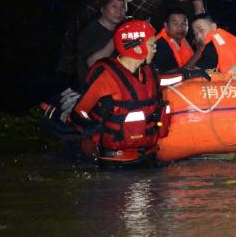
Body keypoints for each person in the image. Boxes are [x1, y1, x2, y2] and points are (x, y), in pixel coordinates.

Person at [70, 20, 172, 165]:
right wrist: (91, 131)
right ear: (137, 49)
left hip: (148, 156)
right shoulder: (105, 74)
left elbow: (163, 81)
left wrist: (188, 75)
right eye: (151, 45)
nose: (155, 49)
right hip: (116, 162)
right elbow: (79, 111)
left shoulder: (147, 72)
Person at [76, 0, 127, 85]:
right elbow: (93, 64)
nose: (119, 10)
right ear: (102, 9)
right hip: (93, 88)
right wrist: (116, 39)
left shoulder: (120, 29)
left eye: (123, 6)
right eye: (114, 6)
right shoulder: (90, 30)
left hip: (114, 85)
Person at [152, 8, 194, 73]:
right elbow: (171, 74)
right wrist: (198, 53)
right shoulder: (161, 45)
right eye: (175, 24)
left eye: (184, 23)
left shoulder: (184, 38)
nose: (180, 27)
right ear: (166, 26)